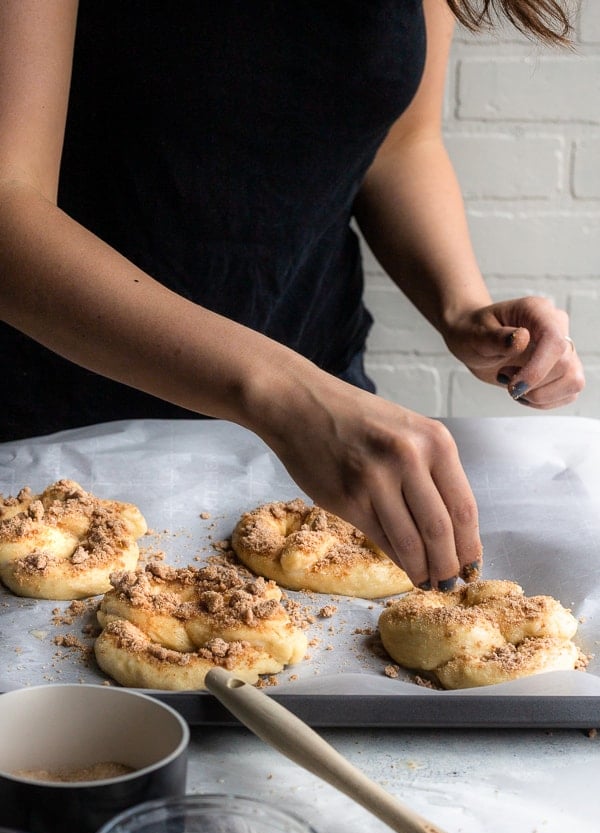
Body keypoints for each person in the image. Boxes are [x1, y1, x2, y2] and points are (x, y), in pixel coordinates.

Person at [0, 0, 584, 593]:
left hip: (324, 425)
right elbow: (7, 206)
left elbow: (402, 142)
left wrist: (462, 309)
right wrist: (285, 395)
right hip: (54, 433)